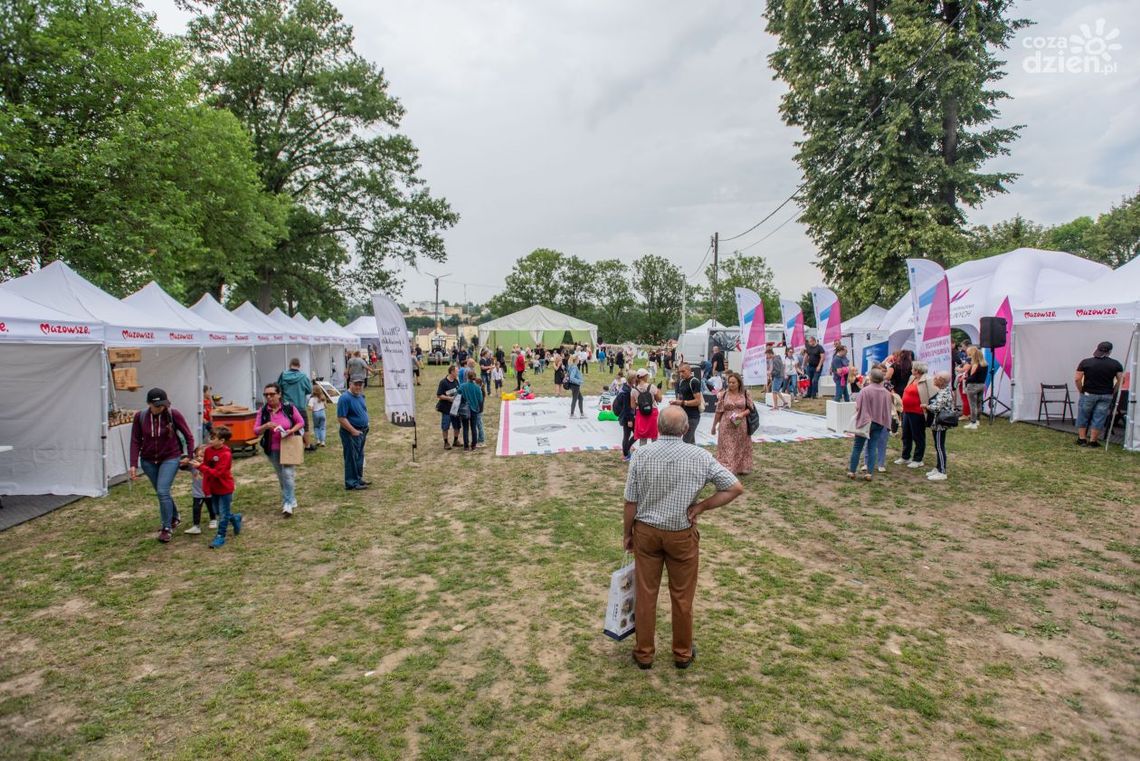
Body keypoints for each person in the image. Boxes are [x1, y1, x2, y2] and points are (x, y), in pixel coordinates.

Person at [623, 406, 744, 669]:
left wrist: (627, 533)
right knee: (682, 595)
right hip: (681, 533)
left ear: (658, 427)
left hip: (647, 531)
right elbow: (734, 487)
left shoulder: (641, 454)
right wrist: (701, 507)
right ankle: (682, 652)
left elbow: (630, 501)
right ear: (686, 429)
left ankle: (644, 653)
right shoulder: (700, 456)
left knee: (645, 593)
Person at [129, 388, 195, 543]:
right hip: (148, 461)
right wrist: (133, 464)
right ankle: (174, 516)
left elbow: (189, 436)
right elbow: (135, 440)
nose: (161, 408)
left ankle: (166, 528)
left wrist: (189, 456)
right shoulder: (140, 417)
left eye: (163, 405)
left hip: (170, 457)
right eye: (157, 406)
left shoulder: (173, 414)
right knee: (161, 492)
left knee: (162, 491)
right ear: (149, 404)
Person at [254, 382, 304, 516]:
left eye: (272, 394)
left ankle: (287, 503)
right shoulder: (263, 411)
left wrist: (291, 430)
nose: (269, 397)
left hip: (288, 445)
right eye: (266, 395)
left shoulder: (289, 407)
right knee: (281, 476)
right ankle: (291, 498)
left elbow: (301, 422)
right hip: (272, 448)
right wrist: (266, 426)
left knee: (287, 474)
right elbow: (256, 430)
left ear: (279, 394)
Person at [194, 427, 240, 549]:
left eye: (213, 438)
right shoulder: (209, 450)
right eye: (210, 437)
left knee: (223, 515)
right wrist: (198, 467)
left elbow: (218, 473)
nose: (210, 440)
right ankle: (235, 518)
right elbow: (206, 467)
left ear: (222, 440)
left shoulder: (226, 454)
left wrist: (201, 467)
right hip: (213, 488)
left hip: (224, 488)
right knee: (217, 511)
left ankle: (220, 536)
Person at [1075, 341, 1125, 447]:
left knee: (1083, 415)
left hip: (1088, 393)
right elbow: (1121, 381)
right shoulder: (1116, 364)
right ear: (1110, 351)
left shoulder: (1085, 362)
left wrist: (1081, 390)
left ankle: (1082, 439)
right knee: (1099, 417)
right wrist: (1113, 390)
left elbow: (1077, 379)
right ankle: (1093, 441)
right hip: (1106, 394)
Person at [846, 368, 892, 481]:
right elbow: (887, 410)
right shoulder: (886, 393)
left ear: (871, 378)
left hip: (865, 422)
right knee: (872, 447)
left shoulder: (865, 390)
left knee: (857, 447)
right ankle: (869, 473)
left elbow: (858, 406)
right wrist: (887, 423)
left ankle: (852, 471)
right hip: (878, 422)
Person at [710, 371, 754, 476]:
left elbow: (750, 408)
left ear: (739, 383)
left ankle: (740, 467)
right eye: (729, 382)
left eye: (733, 382)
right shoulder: (724, 394)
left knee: (740, 446)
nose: (731, 384)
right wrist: (714, 426)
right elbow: (718, 411)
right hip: (726, 425)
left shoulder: (745, 394)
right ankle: (727, 468)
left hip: (741, 424)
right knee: (726, 447)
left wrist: (742, 414)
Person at [896, 361, 936, 469]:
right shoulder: (912, 378)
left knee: (918, 436)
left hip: (918, 412)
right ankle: (905, 456)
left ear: (917, 370)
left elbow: (933, 395)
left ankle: (918, 459)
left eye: (913, 368)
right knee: (906, 435)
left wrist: (927, 407)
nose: (911, 369)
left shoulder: (927, 380)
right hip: (906, 411)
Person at [337, 378, 370, 488]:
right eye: (356, 384)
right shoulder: (344, 398)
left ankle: (358, 479)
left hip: (362, 431)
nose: (358, 387)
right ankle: (351, 482)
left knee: (359, 456)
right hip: (351, 433)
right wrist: (353, 430)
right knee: (351, 457)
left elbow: (363, 410)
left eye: (360, 385)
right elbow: (341, 418)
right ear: (350, 384)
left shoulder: (360, 396)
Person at [923, 372, 956, 480]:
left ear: (941, 380)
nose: (934, 379)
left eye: (936, 378)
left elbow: (937, 407)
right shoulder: (943, 390)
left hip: (940, 424)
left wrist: (926, 406)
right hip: (936, 423)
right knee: (938, 446)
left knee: (939, 447)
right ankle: (938, 467)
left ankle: (942, 471)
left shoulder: (944, 393)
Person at [278, 358, 314, 450]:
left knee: (288, 425)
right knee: (305, 426)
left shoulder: (283, 375)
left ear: (290, 365)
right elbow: (309, 390)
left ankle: (288, 445)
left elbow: (278, 389)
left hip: (287, 406)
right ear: (299, 366)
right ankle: (307, 445)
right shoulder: (303, 376)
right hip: (300, 405)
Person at [183, 445, 215, 535]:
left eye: (202, 456)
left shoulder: (210, 466)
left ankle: (213, 519)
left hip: (210, 492)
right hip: (197, 493)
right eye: (197, 456)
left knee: (211, 507)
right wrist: (185, 461)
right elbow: (183, 467)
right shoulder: (193, 466)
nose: (199, 458)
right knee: (196, 508)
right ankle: (196, 526)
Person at [670, 362, 703, 444]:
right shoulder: (681, 382)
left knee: (685, 443)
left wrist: (682, 402)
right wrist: (676, 403)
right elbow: (681, 398)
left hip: (692, 417)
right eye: (679, 372)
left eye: (683, 371)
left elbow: (697, 401)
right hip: (683, 416)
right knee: (690, 443)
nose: (681, 374)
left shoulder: (694, 381)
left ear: (689, 370)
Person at [632, 368, 663, 446]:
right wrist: (659, 390)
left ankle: (642, 453)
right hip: (652, 412)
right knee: (654, 436)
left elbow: (632, 405)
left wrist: (639, 403)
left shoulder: (634, 390)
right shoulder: (652, 387)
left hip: (641, 413)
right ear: (645, 376)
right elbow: (659, 399)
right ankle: (655, 452)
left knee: (643, 437)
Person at [960, 346, 988, 429]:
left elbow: (973, 377)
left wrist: (965, 378)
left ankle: (973, 422)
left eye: (969, 355)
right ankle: (977, 420)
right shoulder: (984, 364)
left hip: (973, 386)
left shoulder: (975, 365)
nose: (969, 356)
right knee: (979, 404)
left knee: (973, 405)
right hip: (981, 385)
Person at [436, 365, 462, 449]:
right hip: (446, 408)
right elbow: (439, 395)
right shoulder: (443, 382)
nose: (458, 373)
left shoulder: (456, 381)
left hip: (456, 408)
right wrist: (449, 398)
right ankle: (446, 442)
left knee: (457, 425)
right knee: (445, 426)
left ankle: (455, 441)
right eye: (457, 371)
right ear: (452, 372)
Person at [614, 371, 637, 461]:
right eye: (635, 378)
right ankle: (626, 453)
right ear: (632, 379)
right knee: (636, 434)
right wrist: (630, 420)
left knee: (627, 435)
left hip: (625, 416)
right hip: (627, 417)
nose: (636, 379)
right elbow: (627, 407)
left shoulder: (625, 386)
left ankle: (626, 453)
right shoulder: (627, 392)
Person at [463, 375, 487, 448]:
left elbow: (479, 401)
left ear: (478, 384)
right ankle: (479, 439)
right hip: (478, 410)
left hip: (478, 410)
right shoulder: (480, 389)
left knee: (479, 425)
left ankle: (481, 440)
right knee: (478, 425)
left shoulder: (480, 390)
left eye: (475, 383)